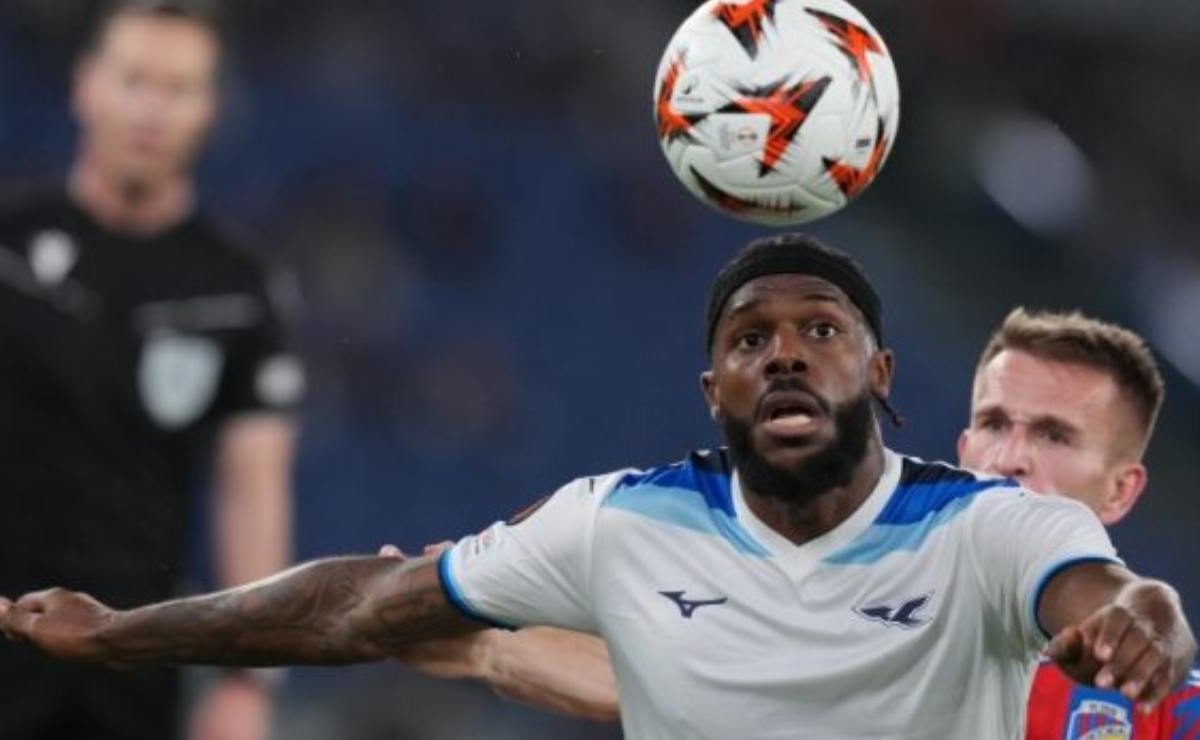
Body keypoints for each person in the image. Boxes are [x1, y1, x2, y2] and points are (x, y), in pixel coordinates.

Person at [1, 235, 1194, 739]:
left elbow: (1124, 602)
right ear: (711, 386)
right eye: (996, 420)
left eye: (820, 330)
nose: (1011, 454)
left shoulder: (1005, 547)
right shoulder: (630, 519)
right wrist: (124, 632)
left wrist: (1148, 615)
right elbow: (360, 603)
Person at [389, 308, 1200, 737]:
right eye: (993, 424)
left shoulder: (1165, 704)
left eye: (1054, 436)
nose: (1010, 458)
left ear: (1120, 492)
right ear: (961, 446)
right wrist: (483, 644)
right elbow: (651, 674)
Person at [0, 2, 302, 738]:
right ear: (85, 85)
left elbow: (252, 487)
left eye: (178, 89)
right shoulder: (7, 247)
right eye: (134, 80)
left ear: (210, 110)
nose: (151, 110)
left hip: (134, 660)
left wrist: (250, 680)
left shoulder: (238, 290)